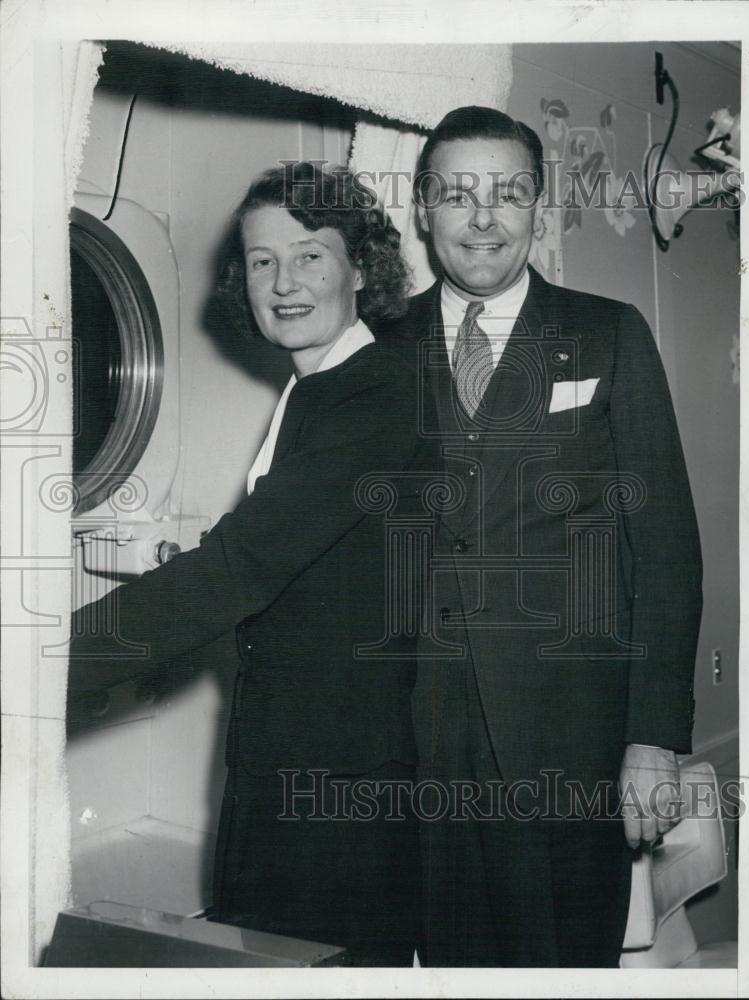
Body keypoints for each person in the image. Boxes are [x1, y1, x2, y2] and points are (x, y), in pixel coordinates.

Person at [68, 162, 439, 966]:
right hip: (285, 759)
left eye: (310, 255)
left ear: (362, 268)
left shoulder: (377, 396)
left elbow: (238, 569)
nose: (283, 281)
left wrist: (39, 666)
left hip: (345, 783)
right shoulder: (315, 391)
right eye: (263, 261)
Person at [381, 106, 703, 967]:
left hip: (574, 742)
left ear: (538, 208)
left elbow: (665, 549)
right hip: (419, 742)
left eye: (508, 193)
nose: (483, 218)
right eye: (457, 194)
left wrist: (654, 738)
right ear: (421, 210)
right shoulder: (377, 345)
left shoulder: (609, 332)